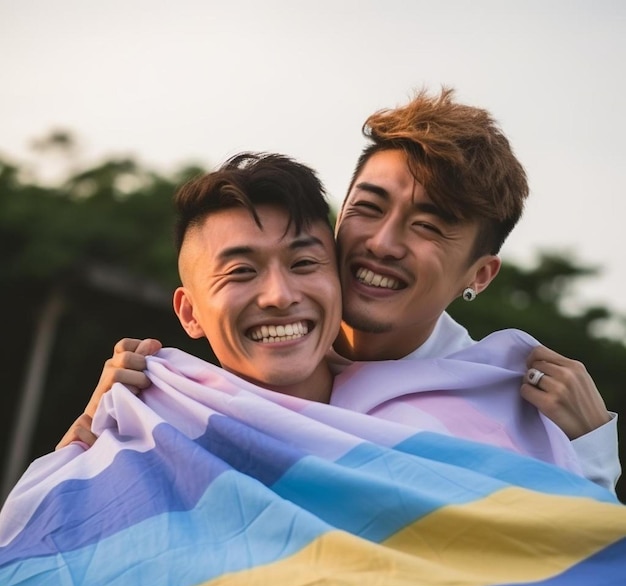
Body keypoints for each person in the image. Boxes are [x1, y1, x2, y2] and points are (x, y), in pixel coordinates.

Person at [56, 87, 620, 491]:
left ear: (479, 275)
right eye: (367, 210)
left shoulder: (500, 406)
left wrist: (594, 459)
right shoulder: (245, 369)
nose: (382, 242)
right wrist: (102, 419)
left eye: (427, 226)